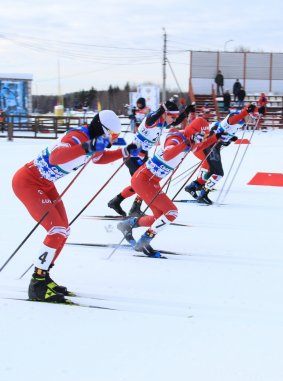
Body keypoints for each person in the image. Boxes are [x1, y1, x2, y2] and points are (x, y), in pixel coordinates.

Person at [12, 110, 136, 303]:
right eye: (112, 135)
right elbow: (55, 157)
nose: (113, 140)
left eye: (117, 137)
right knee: (56, 230)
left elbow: (98, 158)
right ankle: (36, 284)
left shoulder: (94, 140)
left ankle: (43, 276)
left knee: (64, 230)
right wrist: (87, 146)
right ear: (101, 128)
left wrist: (124, 152)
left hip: (45, 184)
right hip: (28, 182)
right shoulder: (78, 136)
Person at [117, 117, 216, 257]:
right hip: (144, 180)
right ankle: (145, 240)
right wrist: (187, 143)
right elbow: (168, 154)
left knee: (159, 218)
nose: (202, 138)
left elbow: (200, 146)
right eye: (202, 135)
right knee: (171, 212)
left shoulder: (191, 140)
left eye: (204, 136)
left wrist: (216, 137)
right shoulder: (177, 139)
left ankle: (128, 225)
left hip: (152, 181)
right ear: (194, 132)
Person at [107, 100, 195, 217]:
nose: (174, 120)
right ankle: (133, 208)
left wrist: (185, 113)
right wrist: (161, 109)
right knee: (144, 183)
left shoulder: (163, 120)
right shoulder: (154, 119)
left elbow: (175, 122)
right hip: (133, 156)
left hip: (142, 156)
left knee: (141, 184)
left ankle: (117, 201)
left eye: (175, 117)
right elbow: (149, 120)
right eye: (172, 116)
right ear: (165, 113)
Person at [184, 104, 259, 204]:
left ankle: (193, 186)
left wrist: (229, 138)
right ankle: (203, 194)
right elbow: (232, 121)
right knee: (219, 173)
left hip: (214, 145)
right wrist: (245, 112)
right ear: (246, 113)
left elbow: (219, 126)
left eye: (253, 118)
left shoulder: (240, 121)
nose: (251, 120)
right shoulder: (235, 117)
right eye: (251, 117)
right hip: (210, 145)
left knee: (212, 170)